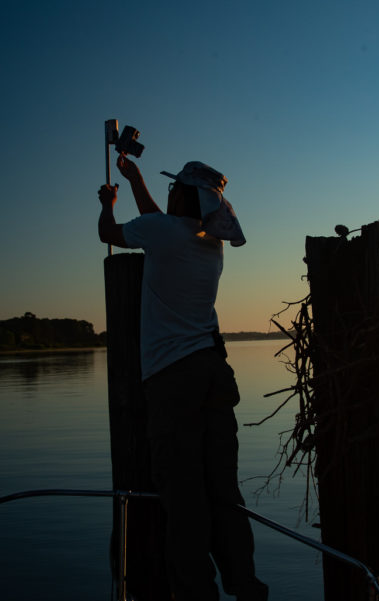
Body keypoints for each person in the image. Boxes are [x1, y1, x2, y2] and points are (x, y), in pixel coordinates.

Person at [98, 154, 267, 601]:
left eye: (173, 189)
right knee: (223, 492)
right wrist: (134, 178)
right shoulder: (208, 240)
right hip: (213, 369)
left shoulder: (162, 233)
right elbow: (160, 221)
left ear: (182, 195)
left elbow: (108, 234)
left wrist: (108, 204)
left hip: (173, 379)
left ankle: (195, 596)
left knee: (184, 498)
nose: (168, 194)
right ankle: (246, 588)